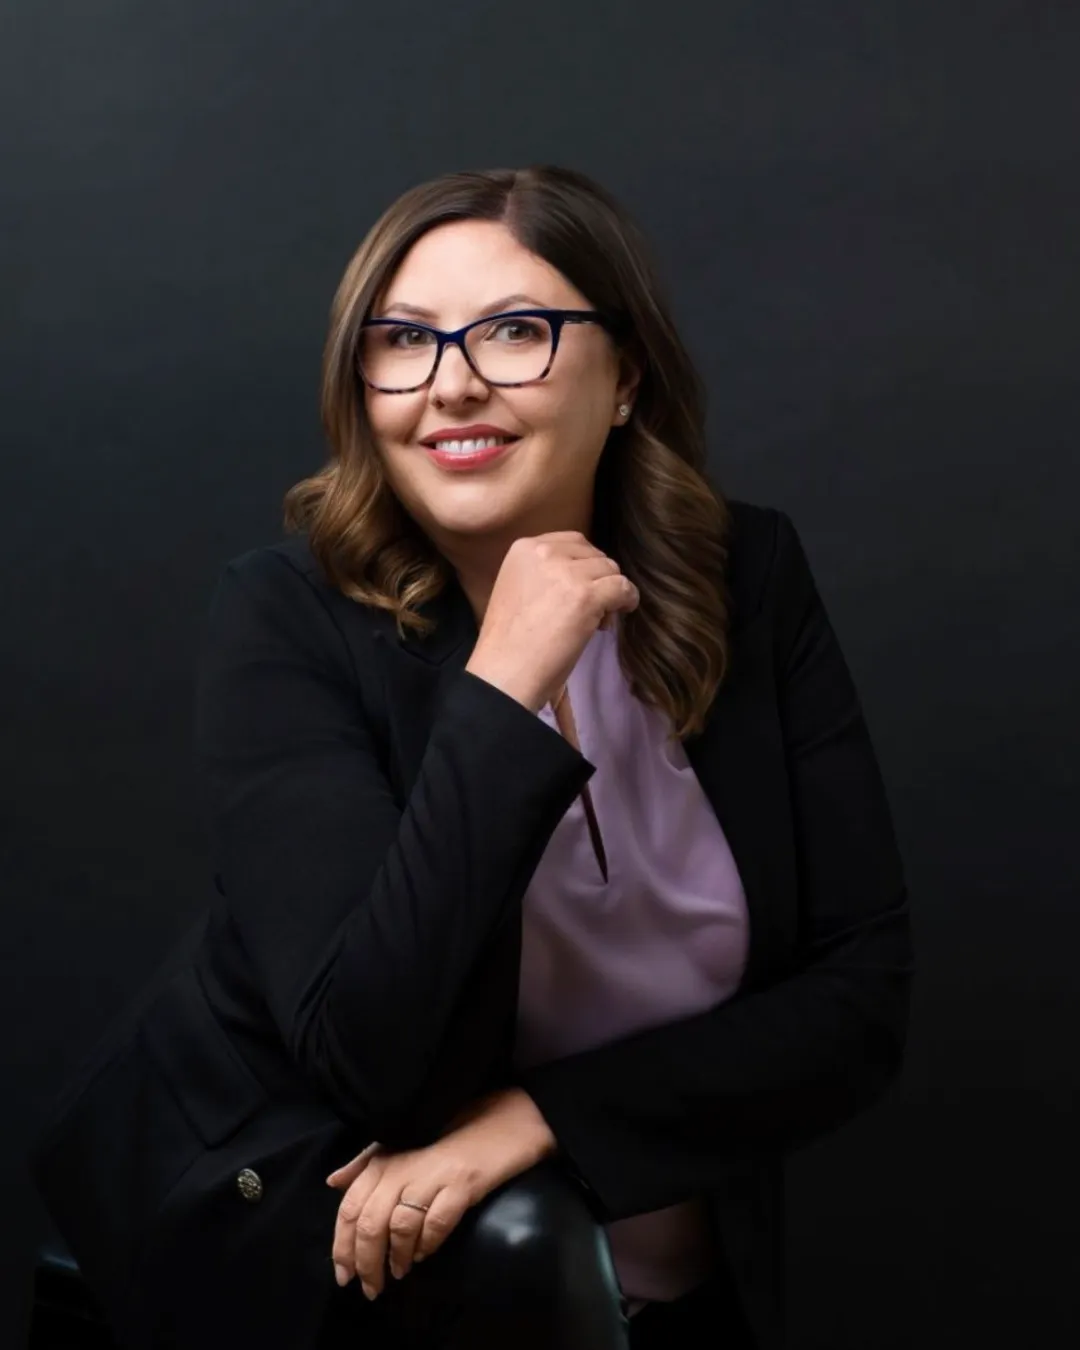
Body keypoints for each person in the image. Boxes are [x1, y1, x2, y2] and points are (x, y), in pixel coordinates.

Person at [28, 164, 913, 1350]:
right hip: (359, 1296)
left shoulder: (748, 580)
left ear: (627, 377)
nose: (450, 384)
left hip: (679, 1294)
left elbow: (860, 1000)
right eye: (403, 340)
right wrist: (503, 689)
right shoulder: (287, 618)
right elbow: (370, 1059)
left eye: (514, 331)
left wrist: (543, 1118)